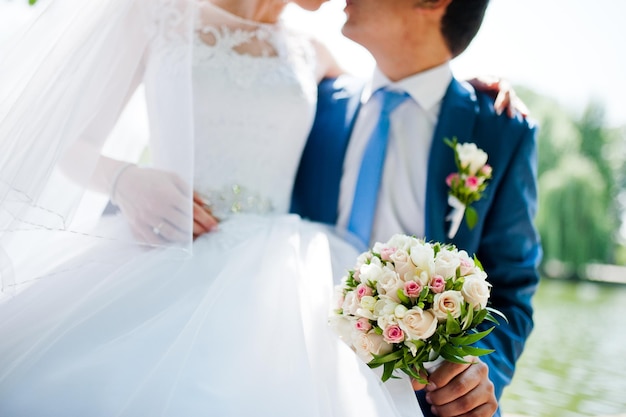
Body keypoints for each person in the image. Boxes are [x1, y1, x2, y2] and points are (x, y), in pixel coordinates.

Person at [0, 0, 524, 416]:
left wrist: (473, 93)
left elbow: (410, 84)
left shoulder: (316, 57)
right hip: (162, 251)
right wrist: (125, 180)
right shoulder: (155, 12)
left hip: (283, 282)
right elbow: (59, 139)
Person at [291, 0, 542, 417]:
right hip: (295, 375)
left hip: (420, 401)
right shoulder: (316, 103)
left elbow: (511, 287)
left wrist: (479, 373)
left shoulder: (499, 127)